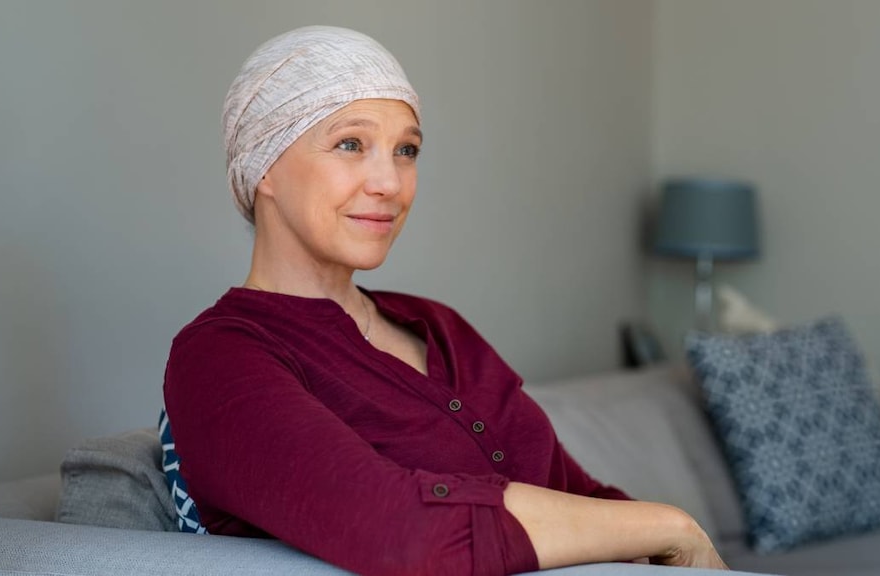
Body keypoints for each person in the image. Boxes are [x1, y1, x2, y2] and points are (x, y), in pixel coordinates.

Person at [163, 25, 728, 576]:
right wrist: (671, 525)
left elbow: (575, 493)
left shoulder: (440, 327)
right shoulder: (219, 358)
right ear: (264, 167)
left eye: (406, 150)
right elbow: (400, 532)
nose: (390, 182)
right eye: (350, 144)